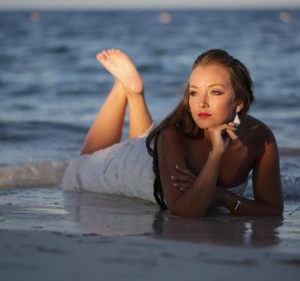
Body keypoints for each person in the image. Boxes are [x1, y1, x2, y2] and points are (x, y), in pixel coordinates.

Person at [63, 48, 283, 217]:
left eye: (215, 92)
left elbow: (273, 209)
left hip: (156, 151)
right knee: (76, 170)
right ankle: (123, 90)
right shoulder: (172, 134)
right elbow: (184, 211)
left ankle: (133, 93)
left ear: (239, 102)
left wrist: (222, 196)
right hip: (137, 168)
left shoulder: (259, 138)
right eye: (194, 93)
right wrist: (216, 154)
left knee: (146, 138)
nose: (202, 103)